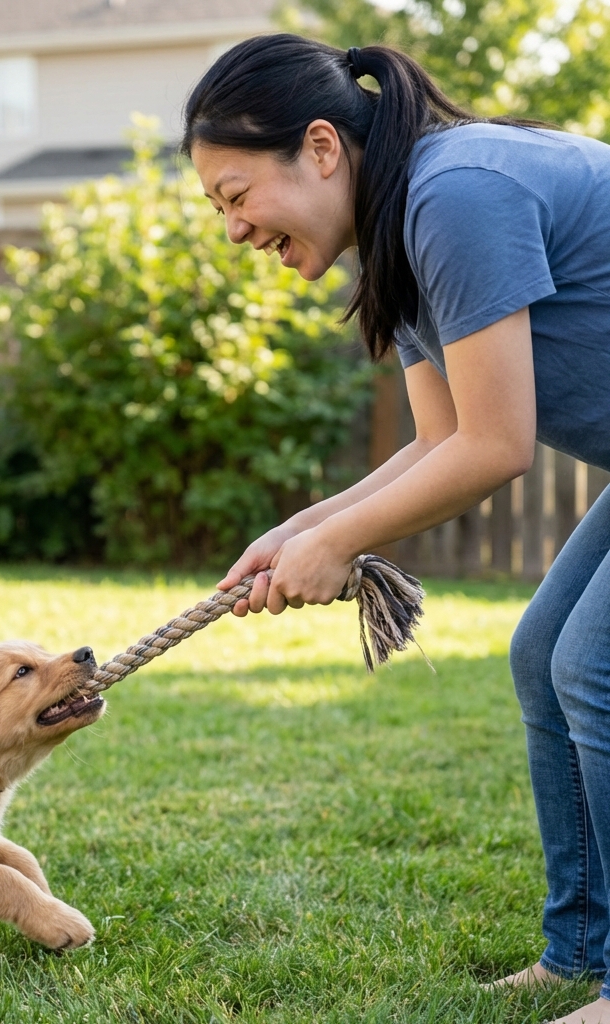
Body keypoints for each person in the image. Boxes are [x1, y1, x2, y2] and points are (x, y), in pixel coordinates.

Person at [182, 33, 610, 1024]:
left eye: (236, 194)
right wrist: (304, 525)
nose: (235, 228)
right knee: (542, 646)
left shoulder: (456, 195)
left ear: (321, 148)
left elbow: (499, 447)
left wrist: (337, 546)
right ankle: (578, 947)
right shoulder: (405, 226)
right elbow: (441, 439)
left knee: (592, 662)